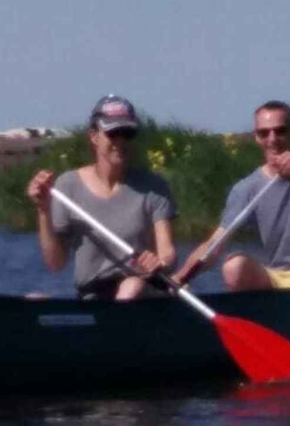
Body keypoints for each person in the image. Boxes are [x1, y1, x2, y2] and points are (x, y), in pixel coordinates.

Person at [174, 100, 290, 290]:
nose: (272, 139)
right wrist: (181, 277)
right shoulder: (247, 188)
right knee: (233, 267)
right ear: (256, 138)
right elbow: (214, 245)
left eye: (280, 131)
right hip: (280, 277)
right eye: (263, 133)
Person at [26, 94, 177, 300]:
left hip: (143, 290)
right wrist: (43, 209)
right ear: (94, 136)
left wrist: (159, 262)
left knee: (131, 286)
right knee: (34, 299)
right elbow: (55, 263)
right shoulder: (67, 185)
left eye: (128, 133)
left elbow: (167, 252)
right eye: (113, 133)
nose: (120, 141)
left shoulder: (154, 187)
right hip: (93, 295)